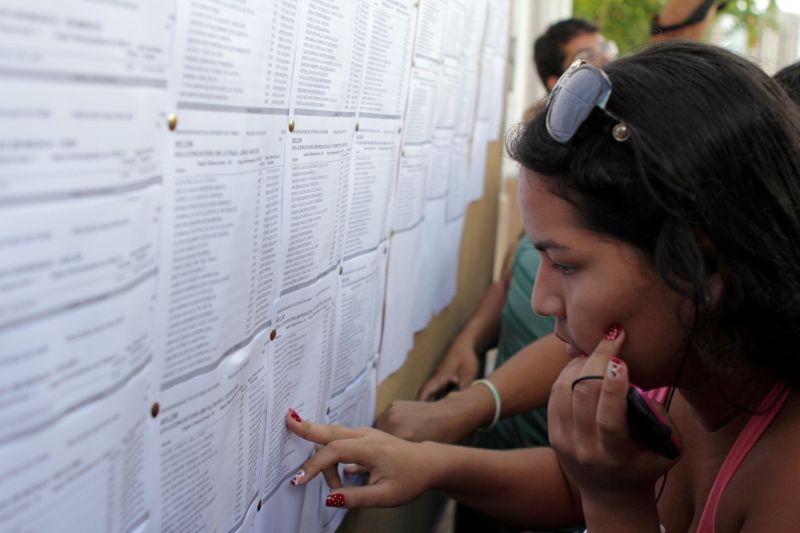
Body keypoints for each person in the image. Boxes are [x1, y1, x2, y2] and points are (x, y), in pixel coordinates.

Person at [286, 41, 800, 531]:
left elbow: (605, 496)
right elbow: (573, 486)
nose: (539, 299)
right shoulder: (689, 378)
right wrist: (430, 464)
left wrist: (614, 503)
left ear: (702, 265)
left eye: (568, 265)